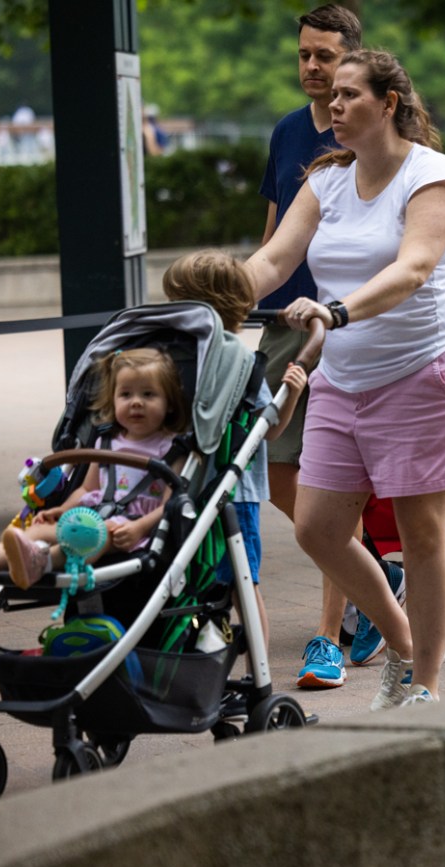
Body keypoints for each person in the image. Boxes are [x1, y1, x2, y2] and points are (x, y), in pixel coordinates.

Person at [243, 49, 445, 708]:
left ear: (389, 103)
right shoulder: (327, 180)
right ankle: (400, 641)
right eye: (333, 95)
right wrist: (214, 293)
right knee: (316, 527)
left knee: (421, 533)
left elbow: (413, 267)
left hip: (421, 372)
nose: (334, 104)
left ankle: (424, 685)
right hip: (343, 378)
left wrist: (337, 311)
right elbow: (274, 259)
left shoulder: (432, 175)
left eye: (349, 94)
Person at [256, 4, 371, 688]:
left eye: (323, 55)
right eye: (304, 54)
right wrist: (244, 295)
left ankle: (327, 638)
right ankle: (373, 576)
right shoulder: (286, 131)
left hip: (349, 324)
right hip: (285, 322)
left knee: (332, 482)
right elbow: (274, 233)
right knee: (274, 469)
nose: (310, 66)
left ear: (351, 57)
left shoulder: (372, 130)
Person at [162, 249, 309, 647]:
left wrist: (291, 393)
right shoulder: (183, 358)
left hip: (229, 494)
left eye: (179, 302)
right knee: (207, 579)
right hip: (198, 489)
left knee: (241, 584)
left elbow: (269, 430)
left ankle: (258, 666)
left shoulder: (234, 361)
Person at [0, 348, 189, 590]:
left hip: (128, 528)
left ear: (169, 403)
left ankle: (42, 561)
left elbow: (170, 504)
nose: (136, 402)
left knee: (92, 535)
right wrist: (63, 510)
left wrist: (139, 528)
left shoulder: (172, 449)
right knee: (40, 528)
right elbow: (87, 489)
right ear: (113, 400)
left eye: (148, 394)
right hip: (91, 516)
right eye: (125, 394)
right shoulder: (105, 442)